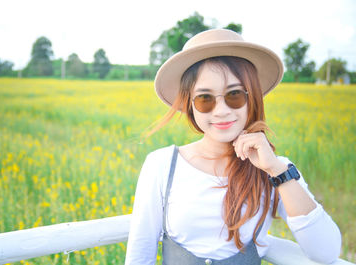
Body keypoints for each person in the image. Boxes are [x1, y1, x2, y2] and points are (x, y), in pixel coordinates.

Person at [124, 29, 341, 265]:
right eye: (205, 99)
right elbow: (139, 255)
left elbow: (326, 252)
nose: (222, 110)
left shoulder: (277, 169)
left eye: (234, 95)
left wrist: (276, 171)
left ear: (253, 98)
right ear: (190, 105)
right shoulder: (162, 165)